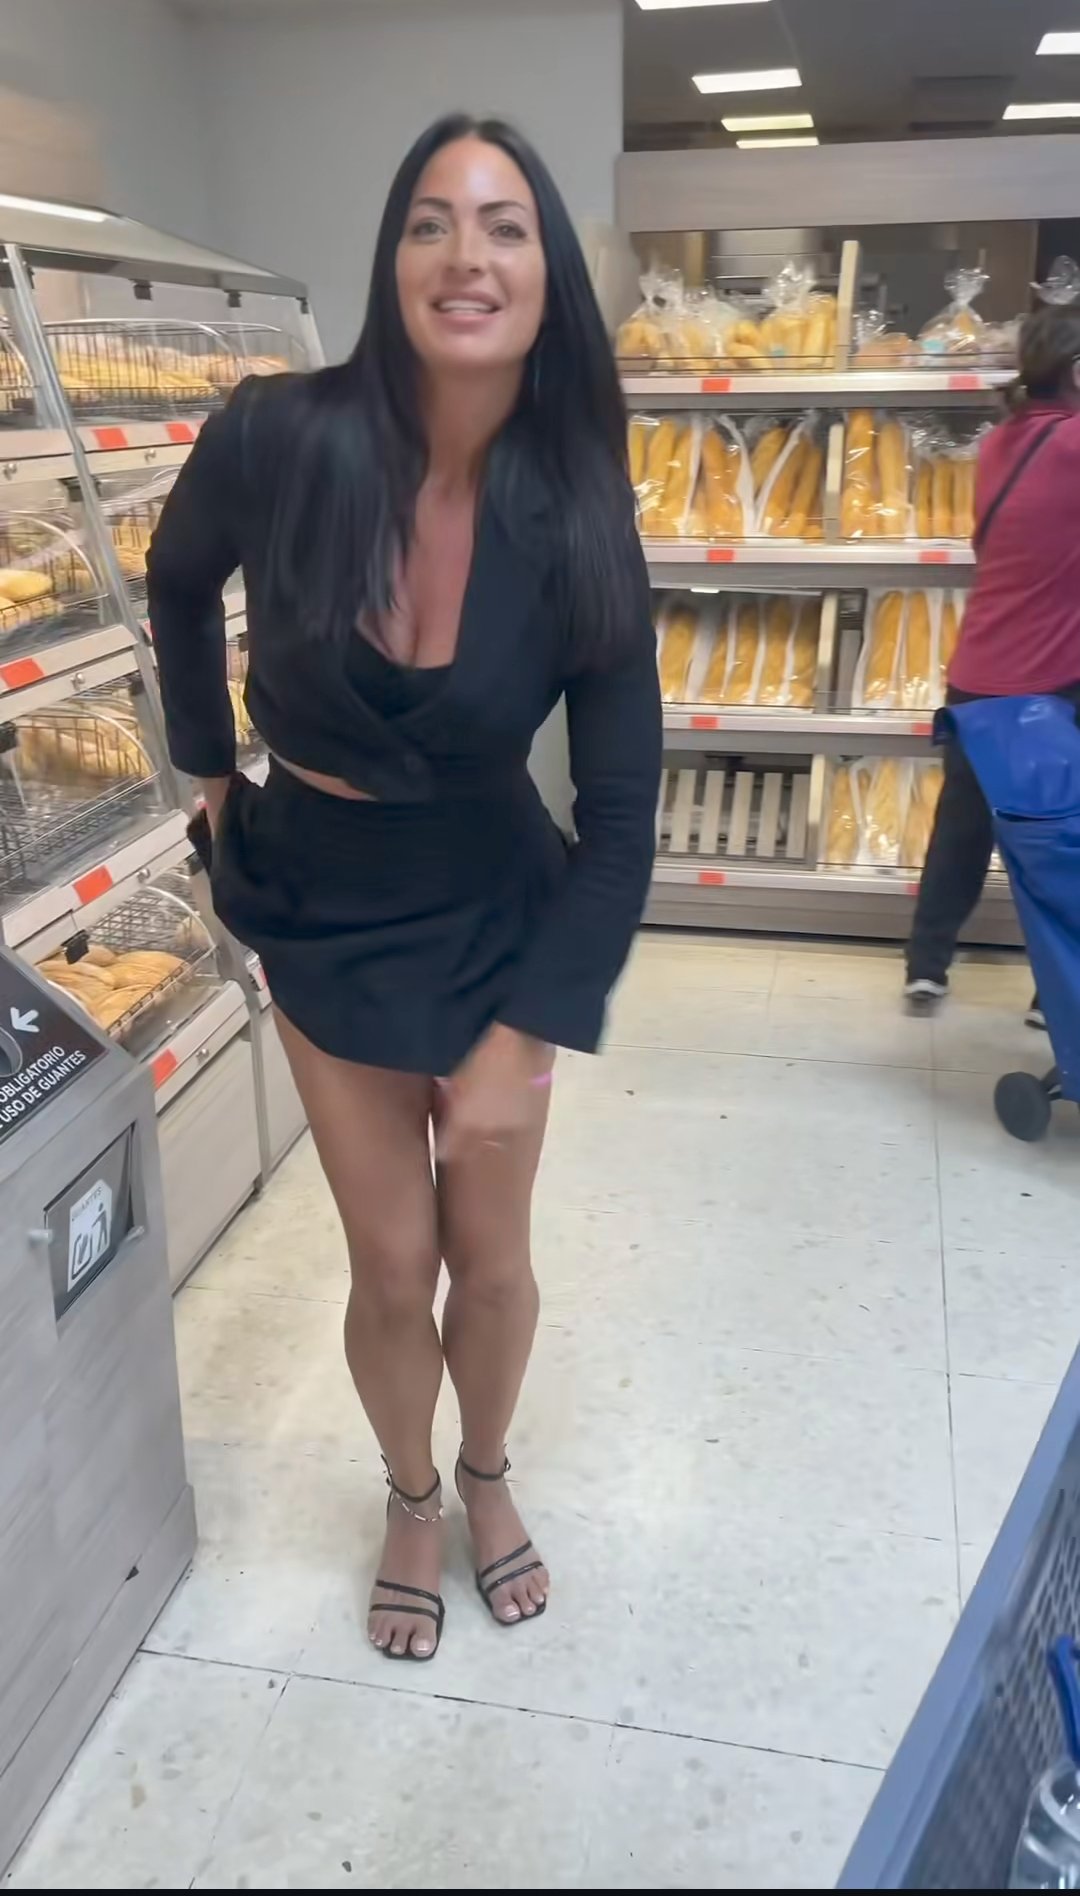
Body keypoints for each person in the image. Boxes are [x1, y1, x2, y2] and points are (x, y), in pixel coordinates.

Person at [146, 114, 661, 1661]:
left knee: (490, 1260)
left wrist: (532, 1022)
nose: (465, 256)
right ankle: (413, 1496)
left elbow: (622, 813)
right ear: (392, 258)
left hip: (498, 908)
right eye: (432, 221)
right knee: (392, 1259)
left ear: (548, 277)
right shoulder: (278, 436)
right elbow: (177, 575)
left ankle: (490, 1473)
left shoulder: (580, 509)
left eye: (505, 226)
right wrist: (208, 769)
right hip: (318, 899)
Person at [905, 304, 1080, 1017]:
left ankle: (926, 965)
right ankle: (1054, 992)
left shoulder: (1001, 443)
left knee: (963, 828)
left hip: (977, 672)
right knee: (1059, 842)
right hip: (1052, 680)